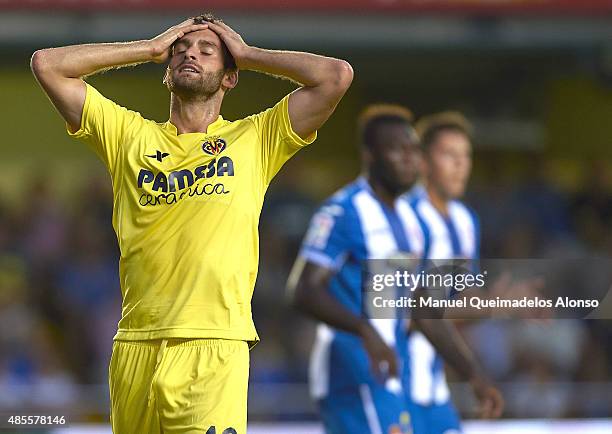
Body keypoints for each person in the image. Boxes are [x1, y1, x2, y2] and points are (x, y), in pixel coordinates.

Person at [31, 13, 353, 434]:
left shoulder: (255, 138)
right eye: (181, 50)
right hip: (134, 344)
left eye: (207, 51)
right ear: (166, 70)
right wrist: (147, 47)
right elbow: (47, 65)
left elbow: (335, 76)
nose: (190, 55)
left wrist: (249, 53)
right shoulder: (130, 136)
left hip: (214, 343)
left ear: (229, 78)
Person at [287, 105, 501, 434]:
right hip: (351, 373)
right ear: (370, 156)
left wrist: (472, 372)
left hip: (389, 375)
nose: (409, 160)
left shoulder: (410, 222)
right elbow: (303, 290)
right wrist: (365, 330)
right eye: (396, 150)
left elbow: (421, 307)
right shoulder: (344, 210)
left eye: (413, 151)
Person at [406, 112, 502, 434]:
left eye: (466, 156)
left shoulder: (464, 220)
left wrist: (493, 305)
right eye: (449, 155)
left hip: (433, 383)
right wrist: (496, 304)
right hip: (394, 380)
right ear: (422, 161)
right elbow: (409, 308)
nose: (461, 165)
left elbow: (465, 304)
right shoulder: (406, 217)